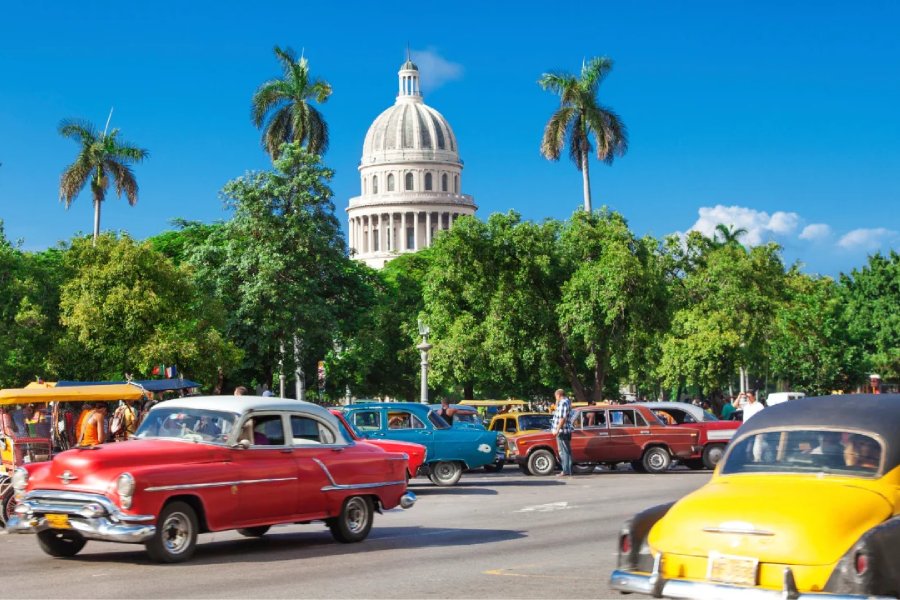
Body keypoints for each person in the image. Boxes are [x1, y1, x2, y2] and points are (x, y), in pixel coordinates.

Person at [551, 389, 574, 477]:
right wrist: (557, 401)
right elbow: (558, 411)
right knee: (565, 451)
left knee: (564, 451)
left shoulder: (563, 403)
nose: (555, 398)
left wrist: (557, 430)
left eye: (556, 396)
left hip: (562, 431)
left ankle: (566, 470)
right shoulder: (566, 401)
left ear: (559, 395)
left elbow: (562, 418)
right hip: (564, 430)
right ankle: (567, 469)